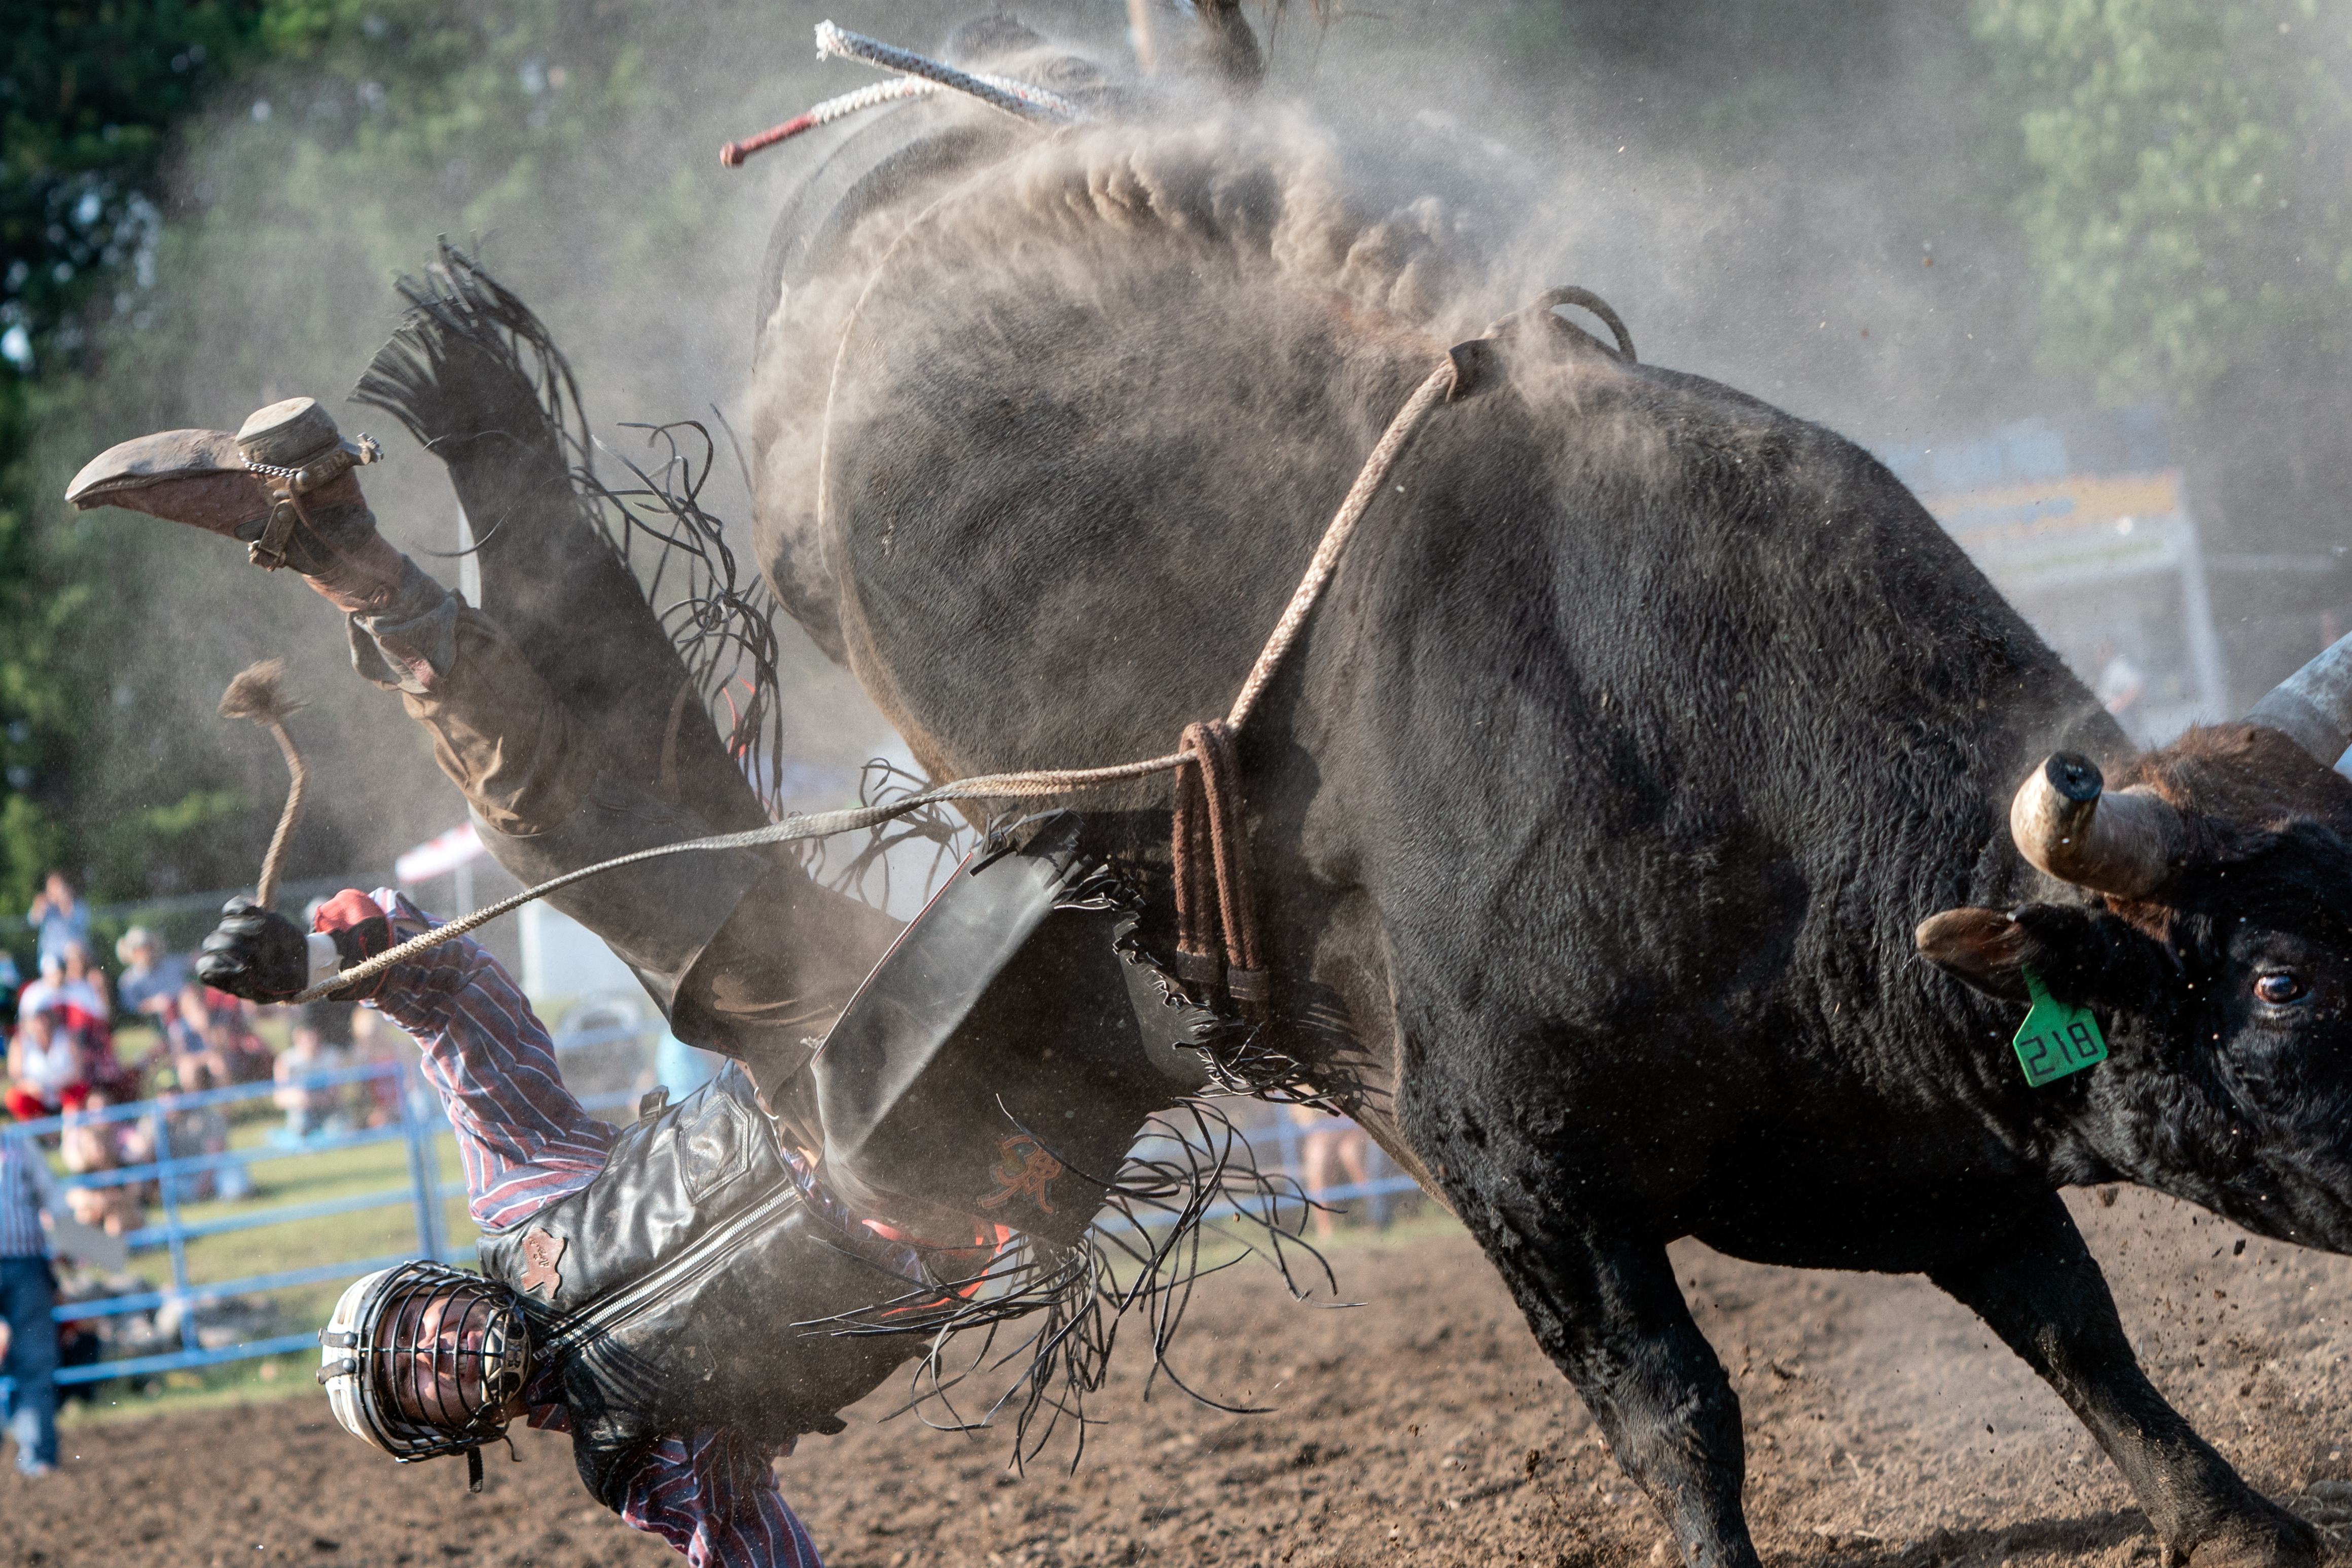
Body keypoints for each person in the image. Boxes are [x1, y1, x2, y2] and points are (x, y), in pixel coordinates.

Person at [196, 888, 991, 1564]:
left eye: (417, 1331)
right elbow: (739, 1534)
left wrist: (330, 960)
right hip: (941, 1232)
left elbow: (458, 1015)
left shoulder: (515, 1196)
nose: (436, 1351)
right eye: (420, 1382)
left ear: (431, 1286)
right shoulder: (629, 1458)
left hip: (815, 1079)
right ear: (448, 1433)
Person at [0, 1127, 66, 1475]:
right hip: (24, 1268)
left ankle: (39, 1453)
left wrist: (84, 1245)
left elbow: (53, 1199)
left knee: (35, 1360)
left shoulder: (19, 1145)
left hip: (25, 1266)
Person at [1286, 1103, 1370, 1243]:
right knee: (1317, 1158)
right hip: (1327, 1137)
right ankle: (1326, 1229)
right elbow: (1306, 1122)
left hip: (1354, 1130)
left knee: (1350, 1153)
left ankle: (1375, 1217)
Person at [272, 1003, 351, 1144]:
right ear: (297, 1036)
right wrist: (298, 1098)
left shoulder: (332, 1057)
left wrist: (313, 1099)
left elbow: (336, 1093)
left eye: (313, 1033)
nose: (310, 1039)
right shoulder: (286, 1062)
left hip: (328, 1111)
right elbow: (279, 1098)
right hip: (302, 1111)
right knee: (300, 1125)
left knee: (337, 1130)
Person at [7, 1003, 92, 1122]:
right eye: (37, 1017)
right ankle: (46, 1136)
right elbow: (16, 1076)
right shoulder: (20, 1042)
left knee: (80, 1092)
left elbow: (79, 1071)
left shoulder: (68, 1037)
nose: (42, 1021)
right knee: (15, 1099)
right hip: (37, 1096)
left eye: (45, 1015)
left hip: (66, 1091)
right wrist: (30, 1087)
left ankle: (71, 1130)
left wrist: (61, 1086)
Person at [114, 928, 188, 1019]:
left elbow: (192, 962)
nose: (147, 952)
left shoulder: (170, 963)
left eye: (149, 946)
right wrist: (153, 1005)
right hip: (159, 1021)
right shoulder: (127, 981)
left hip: (186, 1010)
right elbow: (130, 1006)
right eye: (141, 949)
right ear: (133, 953)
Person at [25, 874, 88, 976]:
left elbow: (80, 928)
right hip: (51, 955)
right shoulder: (46, 906)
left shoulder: (77, 906)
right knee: (52, 968)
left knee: (76, 955)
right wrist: (39, 906)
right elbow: (33, 921)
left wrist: (66, 905)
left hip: (71, 954)